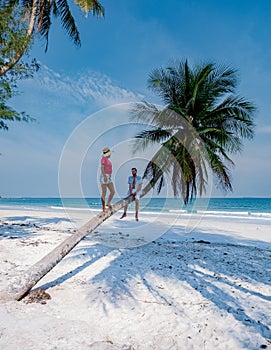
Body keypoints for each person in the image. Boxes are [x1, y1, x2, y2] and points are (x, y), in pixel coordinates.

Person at [100, 147, 115, 212]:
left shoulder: (107, 160)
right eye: (109, 153)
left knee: (112, 191)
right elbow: (102, 168)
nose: (110, 154)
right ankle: (103, 208)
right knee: (104, 193)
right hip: (104, 176)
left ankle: (108, 203)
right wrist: (104, 176)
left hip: (108, 177)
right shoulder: (104, 159)